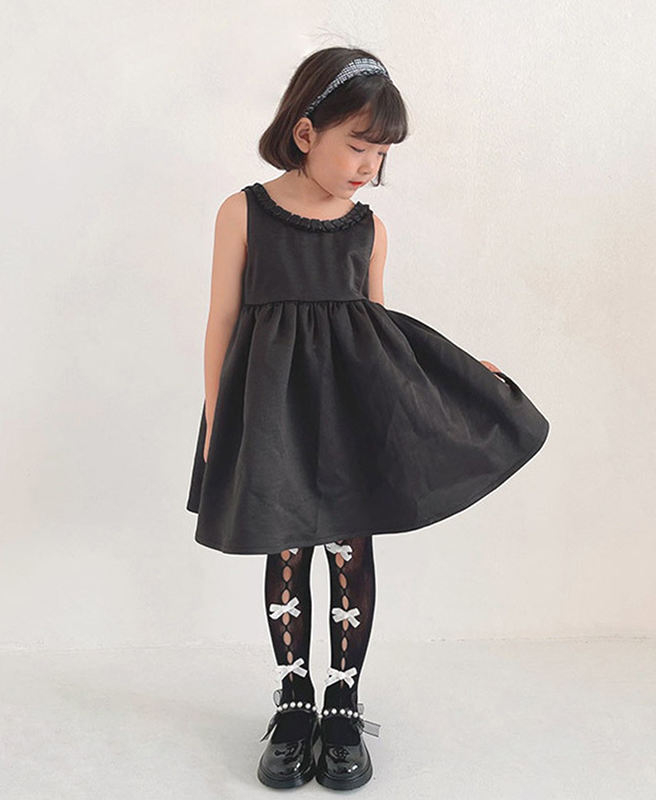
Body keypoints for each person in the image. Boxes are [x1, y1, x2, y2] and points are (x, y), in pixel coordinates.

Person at [186, 46, 550, 791]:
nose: (370, 167)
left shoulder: (368, 229)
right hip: (273, 416)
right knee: (288, 547)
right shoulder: (242, 213)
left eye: (381, 154)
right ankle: (294, 701)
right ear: (305, 132)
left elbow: (379, 331)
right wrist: (220, 424)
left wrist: (457, 378)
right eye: (358, 146)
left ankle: (343, 702)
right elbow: (221, 321)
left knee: (349, 550)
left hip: (350, 413)